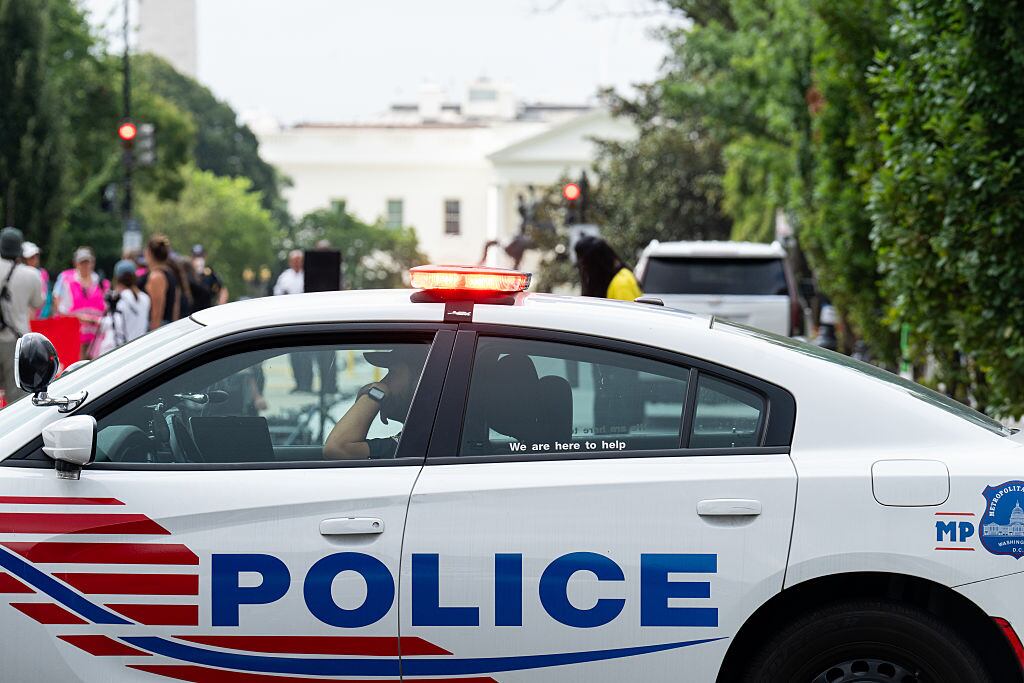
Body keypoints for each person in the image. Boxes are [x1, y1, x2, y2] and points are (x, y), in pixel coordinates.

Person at [323, 347, 426, 460]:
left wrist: (375, 394)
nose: (384, 382)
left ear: (419, 383)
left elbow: (337, 448)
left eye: (392, 373)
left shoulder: (420, 440)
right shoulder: (424, 437)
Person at [0, 228, 45, 402]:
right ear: (20, 249)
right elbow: (38, 303)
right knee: (16, 399)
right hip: (17, 341)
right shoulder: (31, 274)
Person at [52, 246, 109, 359]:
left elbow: (107, 309)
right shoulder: (67, 281)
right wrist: (84, 318)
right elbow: (60, 308)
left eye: (87, 262)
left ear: (93, 263)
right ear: (76, 263)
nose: (85, 266)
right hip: (74, 337)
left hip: (96, 338)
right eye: (82, 262)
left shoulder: (101, 283)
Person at [93, 260, 151, 356]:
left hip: (117, 352)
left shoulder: (119, 297)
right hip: (137, 350)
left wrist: (91, 320)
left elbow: (114, 324)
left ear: (117, 278)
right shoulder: (145, 298)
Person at [273, 250, 312, 392]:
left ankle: (307, 384)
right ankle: (298, 383)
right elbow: (277, 293)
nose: (297, 262)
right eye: (294, 260)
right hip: (290, 318)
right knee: (294, 355)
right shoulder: (285, 276)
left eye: (299, 260)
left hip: (307, 319)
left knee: (306, 355)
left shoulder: (309, 275)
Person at [140, 235, 189, 329]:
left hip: (158, 327)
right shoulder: (170, 274)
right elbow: (176, 307)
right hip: (167, 326)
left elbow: (157, 312)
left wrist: (153, 335)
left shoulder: (157, 277)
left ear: (149, 253)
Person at [574, 235, 643, 301]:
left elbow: (628, 312)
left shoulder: (621, 284)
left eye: (584, 265)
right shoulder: (619, 276)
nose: (583, 270)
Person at [189, 244, 228, 310]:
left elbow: (222, 290)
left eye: (200, 256)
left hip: (206, 312)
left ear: (205, 256)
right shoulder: (187, 274)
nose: (198, 259)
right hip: (190, 314)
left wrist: (220, 307)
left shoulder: (209, 274)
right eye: (196, 256)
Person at [20, 242, 48, 317]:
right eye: (31, 257)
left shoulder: (43, 273)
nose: (35, 259)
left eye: (36, 256)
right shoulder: (18, 273)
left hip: (39, 315)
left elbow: (44, 296)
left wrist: (43, 314)